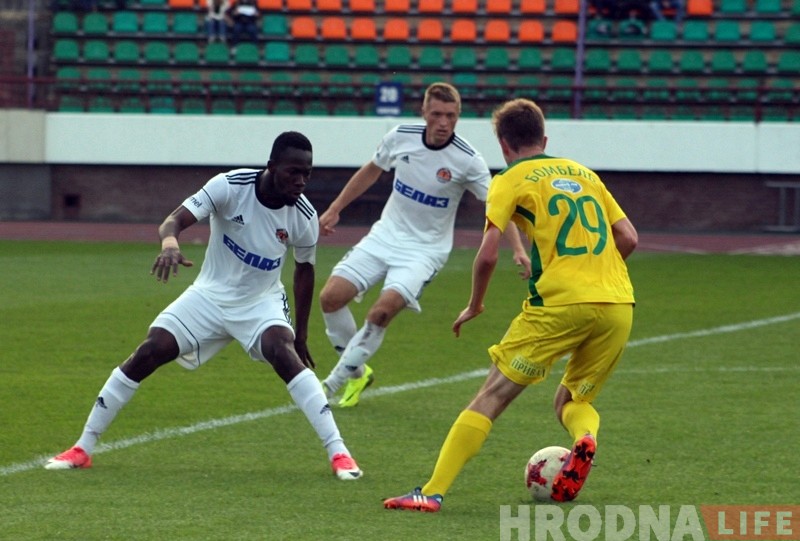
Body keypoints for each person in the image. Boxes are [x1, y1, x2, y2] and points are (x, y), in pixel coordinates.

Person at [44, 131, 363, 481]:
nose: (301, 181)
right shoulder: (229, 186)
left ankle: (340, 454)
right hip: (209, 295)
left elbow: (304, 271)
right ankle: (82, 448)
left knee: (283, 353)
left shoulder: (303, 216)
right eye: (293, 172)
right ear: (271, 166)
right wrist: (169, 243)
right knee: (151, 350)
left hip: (260, 302)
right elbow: (174, 220)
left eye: (307, 173)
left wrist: (300, 334)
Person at [383, 98, 638, 512]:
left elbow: (487, 254)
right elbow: (628, 237)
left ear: (503, 144)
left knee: (490, 396)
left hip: (559, 305)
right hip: (617, 304)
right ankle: (583, 439)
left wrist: (475, 304)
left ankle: (430, 492)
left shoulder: (510, 178)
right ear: (545, 138)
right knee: (571, 401)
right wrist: (594, 276)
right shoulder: (586, 175)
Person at [317, 82, 531, 408]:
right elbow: (372, 170)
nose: (443, 122)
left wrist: (518, 248)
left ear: (458, 116)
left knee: (381, 311)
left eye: (451, 115)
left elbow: (497, 208)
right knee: (330, 298)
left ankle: (330, 385)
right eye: (437, 114)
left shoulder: (467, 160)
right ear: (424, 113)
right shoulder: (400, 136)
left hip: (424, 251)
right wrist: (335, 208)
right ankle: (358, 372)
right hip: (384, 235)